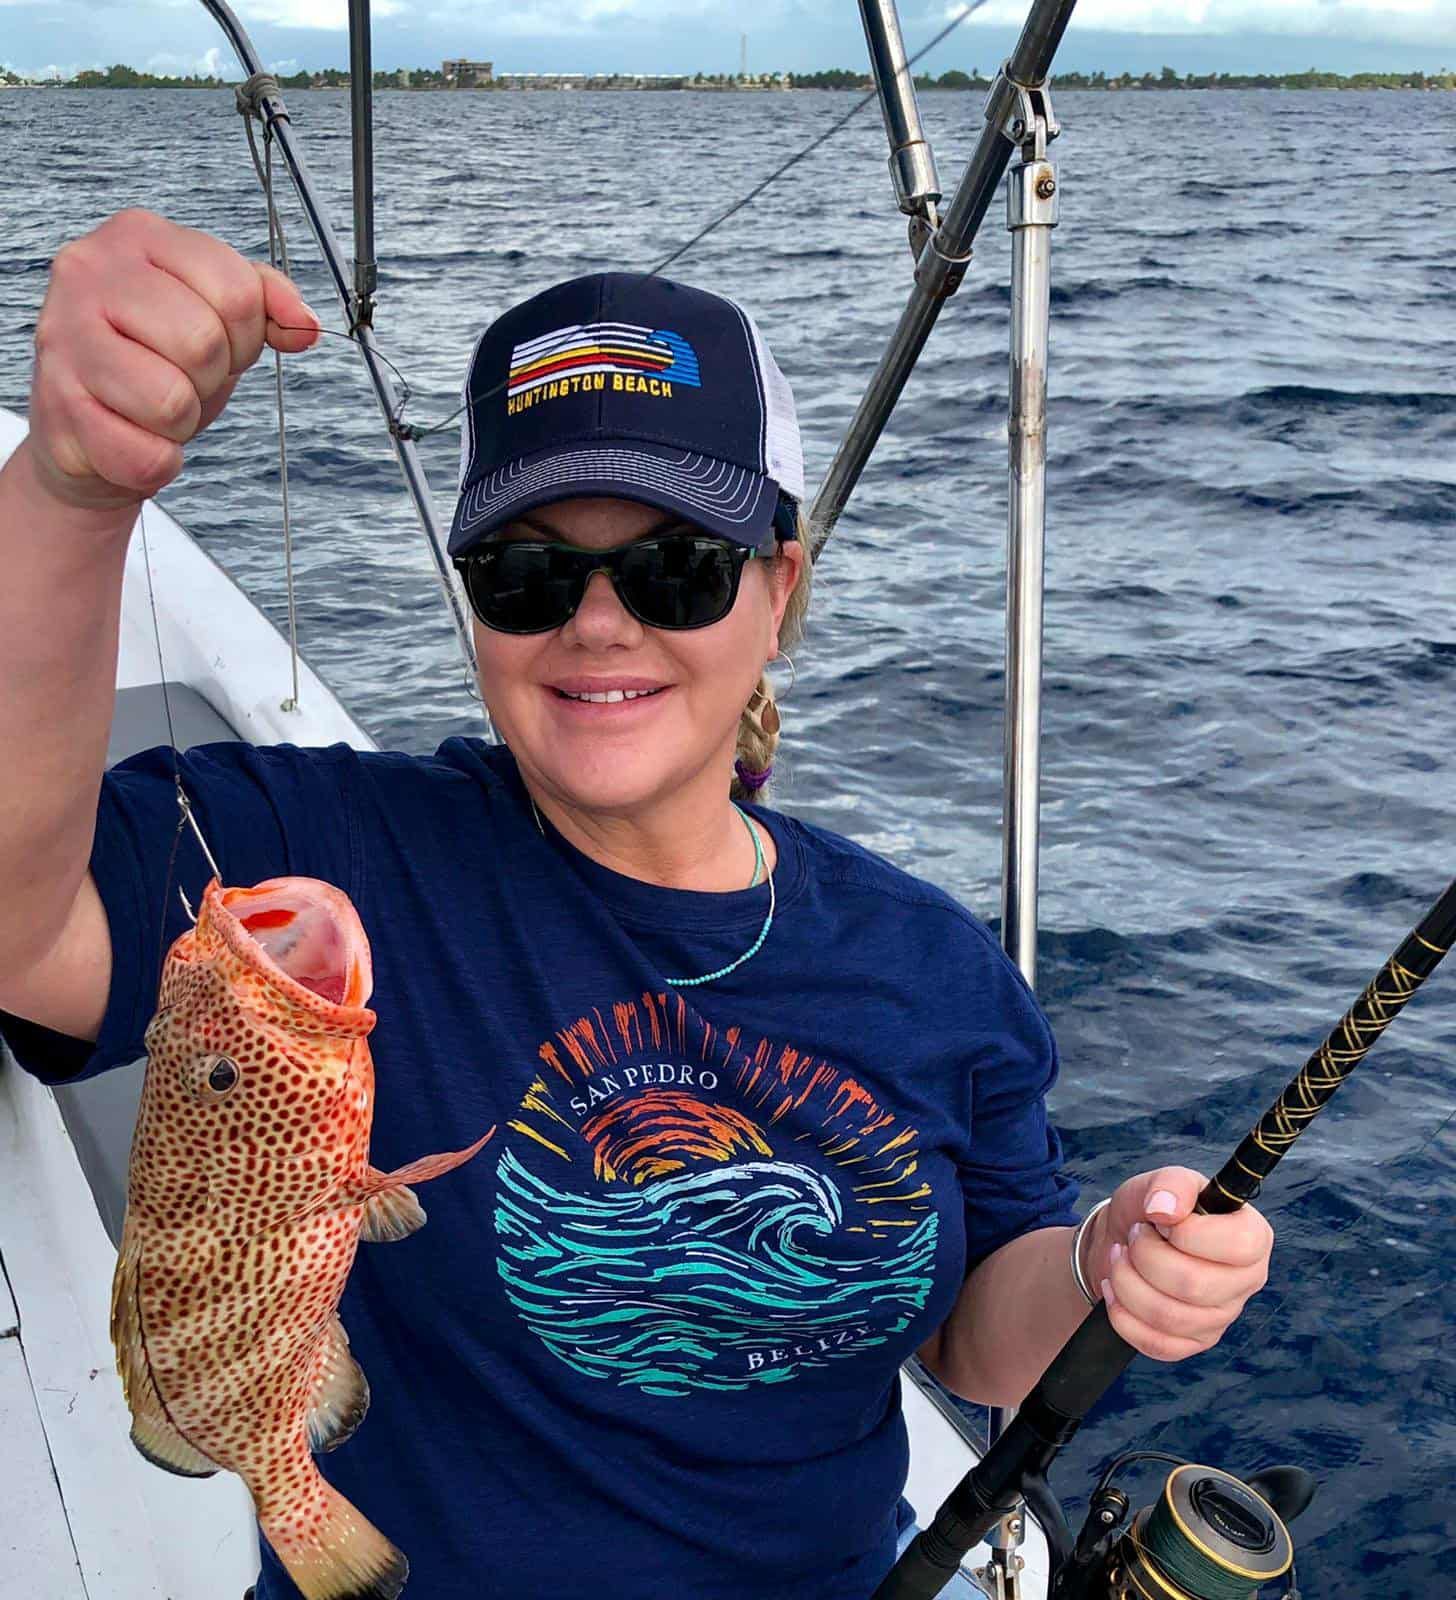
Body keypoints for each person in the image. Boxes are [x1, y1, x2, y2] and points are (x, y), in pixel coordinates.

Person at [0, 209, 1273, 1600]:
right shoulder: (335, 852)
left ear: (780, 590)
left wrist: (1107, 1267)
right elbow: (26, 928)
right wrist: (73, 491)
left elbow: (975, 1340)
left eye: (676, 566)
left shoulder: (932, 969)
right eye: (531, 572)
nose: (599, 621)